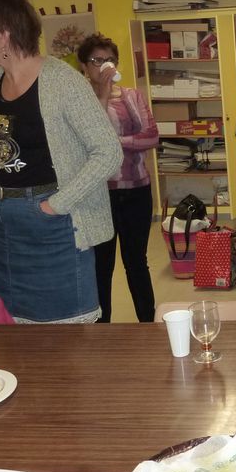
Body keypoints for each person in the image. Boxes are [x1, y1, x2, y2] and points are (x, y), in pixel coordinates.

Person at [0, 0, 121, 323]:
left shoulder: (63, 82)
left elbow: (109, 153)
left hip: (51, 226)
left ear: (2, 33)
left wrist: (56, 205)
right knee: (12, 329)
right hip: (0, 227)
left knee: (67, 338)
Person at [76, 34, 159, 323]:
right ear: (84, 66)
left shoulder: (132, 95)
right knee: (102, 265)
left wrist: (113, 140)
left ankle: (149, 324)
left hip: (137, 188)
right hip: (99, 194)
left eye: (107, 60)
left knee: (137, 262)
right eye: (95, 61)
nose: (102, 67)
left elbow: (151, 136)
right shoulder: (78, 98)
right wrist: (101, 95)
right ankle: (103, 327)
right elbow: (86, 142)